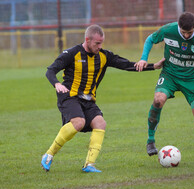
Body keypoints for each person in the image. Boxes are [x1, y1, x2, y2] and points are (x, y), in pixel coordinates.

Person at [41, 24, 164, 173]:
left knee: (100, 123)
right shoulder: (72, 53)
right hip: (69, 96)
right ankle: (48, 155)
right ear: (87, 40)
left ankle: (89, 165)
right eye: (97, 43)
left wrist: (153, 66)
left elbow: (127, 65)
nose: (100, 46)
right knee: (78, 122)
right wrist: (57, 84)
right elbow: (50, 70)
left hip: (88, 100)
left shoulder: (104, 56)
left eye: (101, 43)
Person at [135, 12, 194, 166]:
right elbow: (150, 39)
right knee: (158, 100)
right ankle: (150, 141)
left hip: (192, 79)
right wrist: (144, 57)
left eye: (189, 33)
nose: (185, 35)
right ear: (178, 26)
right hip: (170, 74)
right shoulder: (168, 30)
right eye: (183, 32)